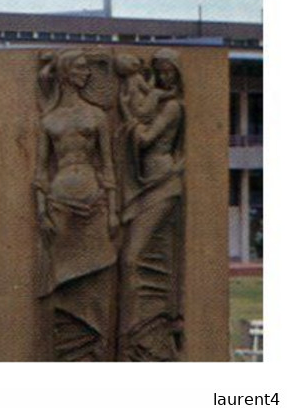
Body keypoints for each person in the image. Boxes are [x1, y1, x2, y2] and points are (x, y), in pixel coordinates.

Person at [34, 50, 120, 361]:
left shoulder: (97, 116)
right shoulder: (50, 119)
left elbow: (108, 165)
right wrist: (41, 208)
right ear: (68, 73)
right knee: (64, 280)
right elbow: (41, 170)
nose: (87, 74)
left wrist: (113, 210)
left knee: (96, 273)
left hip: (93, 200)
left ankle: (93, 349)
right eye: (81, 69)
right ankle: (68, 352)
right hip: (60, 203)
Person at [117, 50, 185, 361]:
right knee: (139, 255)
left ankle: (142, 327)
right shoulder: (158, 98)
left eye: (169, 71)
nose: (164, 76)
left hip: (164, 184)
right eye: (159, 71)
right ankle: (141, 325)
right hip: (146, 184)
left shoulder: (172, 107)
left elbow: (145, 139)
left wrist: (126, 116)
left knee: (133, 257)